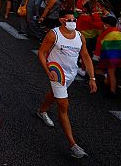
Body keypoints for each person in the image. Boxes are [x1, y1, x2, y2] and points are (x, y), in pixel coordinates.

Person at [36, 10, 97, 159]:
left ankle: (42, 110)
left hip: (71, 74)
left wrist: (92, 78)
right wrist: (47, 70)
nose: (72, 22)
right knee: (63, 105)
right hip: (57, 74)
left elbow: (86, 56)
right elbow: (42, 52)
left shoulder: (80, 36)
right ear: (61, 20)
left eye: (74, 19)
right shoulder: (53, 34)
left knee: (55, 94)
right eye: (69, 19)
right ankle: (73, 145)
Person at [94, 14, 121, 98]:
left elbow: (100, 43)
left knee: (111, 73)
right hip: (120, 56)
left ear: (106, 25)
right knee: (112, 73)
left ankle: (112, 91)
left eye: (103, 24)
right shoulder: (118, 31)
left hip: (111, 57)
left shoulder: (107, 33)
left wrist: (97, 56)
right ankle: (108, 84)